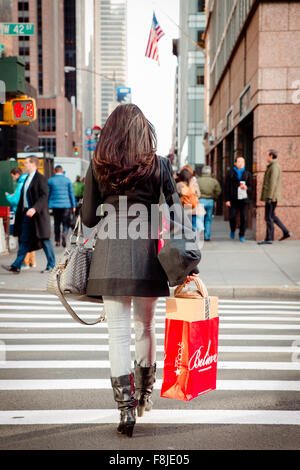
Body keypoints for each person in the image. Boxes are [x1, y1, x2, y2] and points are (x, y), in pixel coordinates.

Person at [81, 104, 199, 438]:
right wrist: (190, 263)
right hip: (148, 254)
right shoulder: (160, 165)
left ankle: (125, 410)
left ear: (110, 132)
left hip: (109, 256)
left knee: (117, 333)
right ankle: (145, 395)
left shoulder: (98, 165)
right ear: (144, 131)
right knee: (145, 327)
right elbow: (176, 214)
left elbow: (89, 218)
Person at [1, 156, 55, 274]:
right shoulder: (26, 179)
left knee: (44, 239)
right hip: (26, 215)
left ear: (33, 164)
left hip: (37, 215)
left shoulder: (40, 178)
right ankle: (16, 266)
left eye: (26, 163)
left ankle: (51, 265)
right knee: (24, 240)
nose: (24, 165)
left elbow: (44, 196)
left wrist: (35, 208)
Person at [5, 167, 36, 269]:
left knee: (23, 239)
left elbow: (16, 200)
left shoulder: (21, 182)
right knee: (29, 238)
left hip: (21, 213)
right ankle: (31, 262)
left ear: (16, 174)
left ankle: (24, 262)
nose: (13, 178)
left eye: (12, 176)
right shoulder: (27, 180)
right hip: (28, 212)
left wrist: (8, 196)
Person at [258, 150, 291, 245]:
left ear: (271, 156)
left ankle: (269, 238)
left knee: (268, 217)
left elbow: (273, 183)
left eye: (267, 155)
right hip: (272, 196)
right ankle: (286, 232)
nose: (266, 157)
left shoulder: (274, 167)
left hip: (272, 197)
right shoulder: (273, 166)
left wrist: (269, 197)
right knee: (272, 216)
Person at [224, 156, 252, 242]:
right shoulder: (230, 173)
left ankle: (241, 235)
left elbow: (252, 187)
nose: (241, 164)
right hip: (233, 199)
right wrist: (227, 199)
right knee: (232, 216)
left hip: (244, 199)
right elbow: (226, 187)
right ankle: (232, 230)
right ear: (235, 163)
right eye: (239, 162)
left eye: (242, 162)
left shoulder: (247, 174)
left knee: (244, 218)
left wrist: (247, 187)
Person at [48, 165, 77, 247]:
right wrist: (74, 205)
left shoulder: (50, 181)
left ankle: (57, 241)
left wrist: (47, 205)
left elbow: (48, 194)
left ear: (54, 171)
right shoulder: (67, 180)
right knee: (66, 223)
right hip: (66, 205)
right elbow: (71, 193)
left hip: (55, 206)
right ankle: (64, 234)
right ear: (62, 171)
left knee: (56, 223)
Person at [197, 165, 222, 241]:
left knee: (200, 219)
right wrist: (214, 197)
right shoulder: (214, 181)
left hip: (200, 200)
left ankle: (200, 236)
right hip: (210, 201)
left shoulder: (198, 180)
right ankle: (207, 236)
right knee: (208, 219)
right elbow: (218, 191)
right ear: (210, 172)